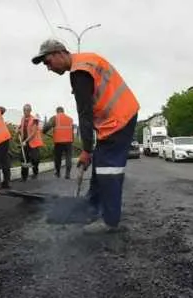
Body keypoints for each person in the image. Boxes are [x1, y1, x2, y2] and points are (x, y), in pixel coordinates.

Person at [32, 39, 139, 233]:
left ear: (59, 53)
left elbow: (85, 114)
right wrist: (91, 151)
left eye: (47, 62)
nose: (48, 68)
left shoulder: (80, 72)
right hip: (119, 117)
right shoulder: (86, 60)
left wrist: (87, 150)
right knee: (100, 165)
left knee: (109, 171)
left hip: (118, 120)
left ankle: (109, 222)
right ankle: (92, 208)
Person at [42, 105, 75, 179]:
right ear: (63, 111)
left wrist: (44, 131)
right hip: (69, 142)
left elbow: (48, 126)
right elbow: (72, 131)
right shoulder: (70, 119)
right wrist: (72, 140)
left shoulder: (55, 118)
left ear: (57, 111)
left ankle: (58, 173)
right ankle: (67, 174)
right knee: (68, 158)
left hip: (58, 142)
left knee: (57, 158)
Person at [18, 104, 43, 180]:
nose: (25, 112)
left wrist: (26, 141)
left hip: (33, 142)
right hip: (24, 142)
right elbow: (22, 126)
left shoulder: (34, 120)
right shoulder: (22, 119)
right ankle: (24, 176)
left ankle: (35, 173)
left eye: (27, 110)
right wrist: (18, 129)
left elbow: (33, 133)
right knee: (24, 158)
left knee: (35, 159)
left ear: (30, 111)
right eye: (24, 110)